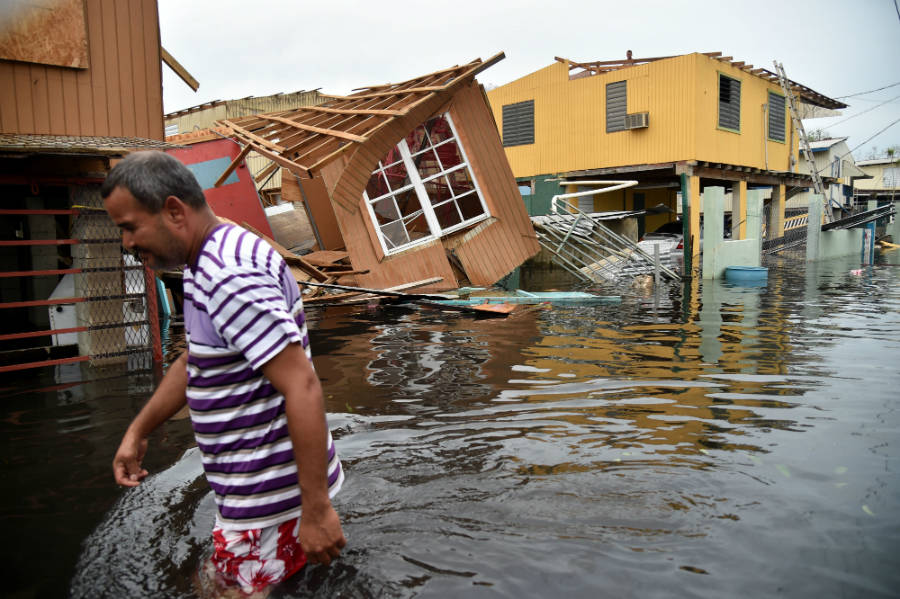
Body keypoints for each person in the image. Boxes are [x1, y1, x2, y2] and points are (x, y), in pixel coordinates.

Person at [105, 151, 345, 595]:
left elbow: (302, 385)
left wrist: (316, 510)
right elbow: (196, 358)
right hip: (264, 491)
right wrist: (139, 430)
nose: (127, 243)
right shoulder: (207, 258)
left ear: (174, 211)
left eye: (130, 226)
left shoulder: (228, 276)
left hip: (267, 501)